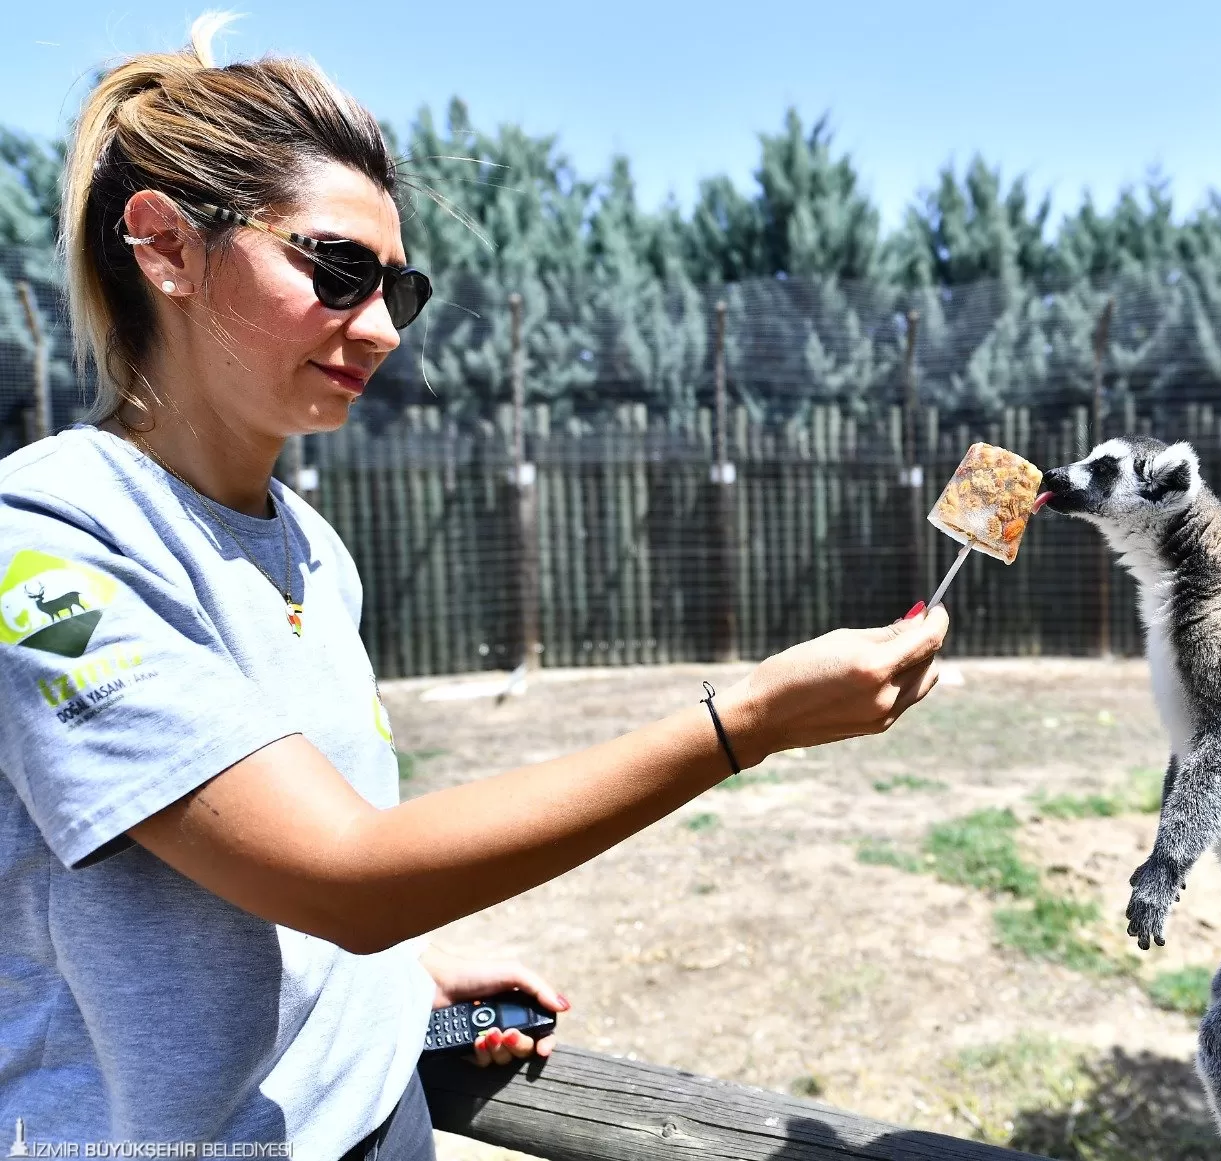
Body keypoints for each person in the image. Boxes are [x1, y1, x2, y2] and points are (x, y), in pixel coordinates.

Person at [0, 15, 949, 1160]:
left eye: (403, 287)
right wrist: (741, 725)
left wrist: (400, 976)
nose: (384, 327)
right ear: (165, 248)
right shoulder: (45, 543)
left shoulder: (309, 545)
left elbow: (283, 884)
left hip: (378, 1117)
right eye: (338, 268)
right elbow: (344, 876)